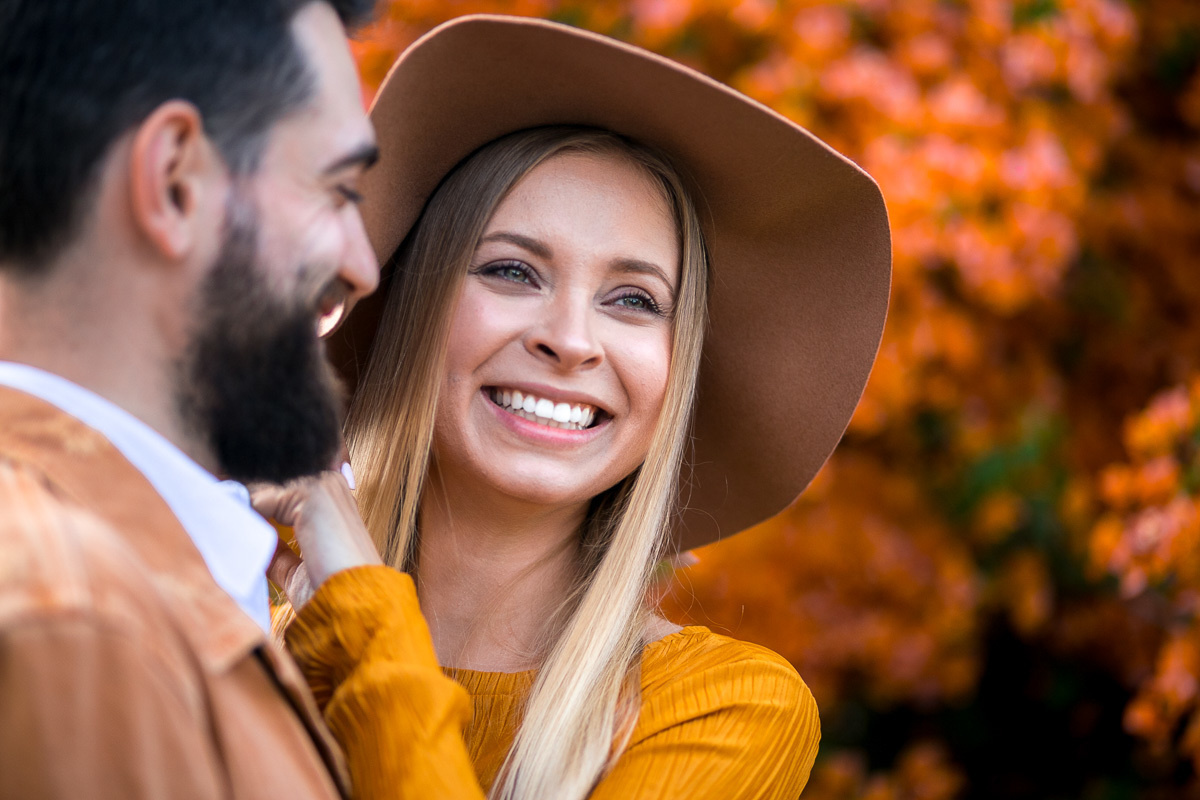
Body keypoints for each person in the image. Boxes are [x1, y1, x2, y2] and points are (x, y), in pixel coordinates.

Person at [267, 15, 892, 800]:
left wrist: (361, 622)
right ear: (408, 308)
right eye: (512, 272)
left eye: (633, 300)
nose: (571, 341)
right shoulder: (228, 633)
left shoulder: (724, 708)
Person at [0, 1, 471, 797]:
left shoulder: (128, 593)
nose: (364, 267)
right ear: (175, 181)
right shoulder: (77, 629)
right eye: (338, 191)